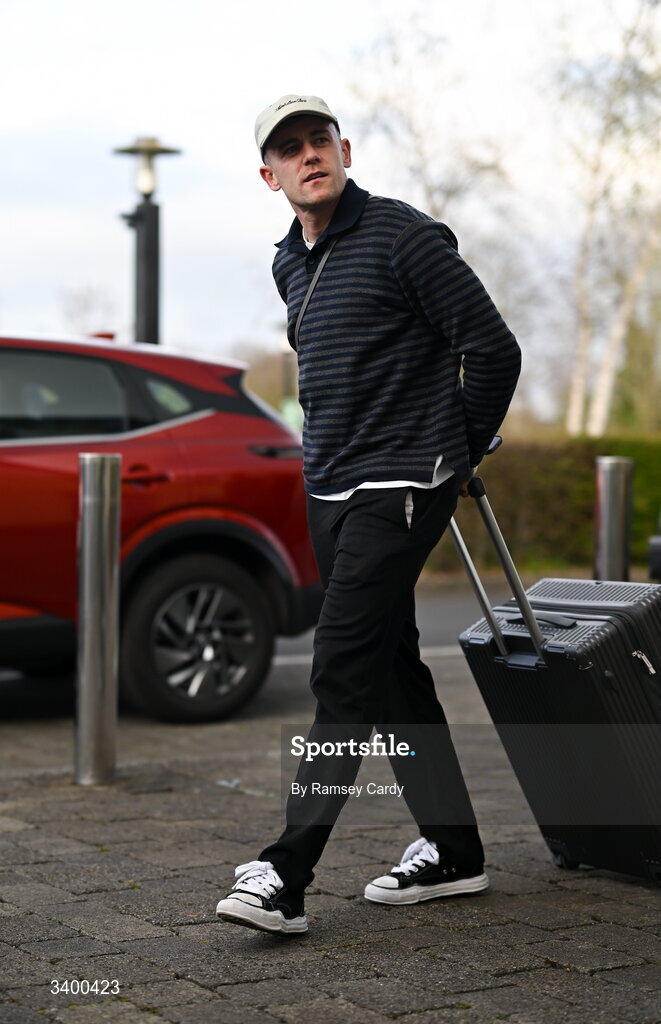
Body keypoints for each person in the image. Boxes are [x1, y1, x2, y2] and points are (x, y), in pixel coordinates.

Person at [216, 94, 521, 935]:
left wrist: (454, 450)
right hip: (332, 488)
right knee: (389, 672)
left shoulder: (402, 237)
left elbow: (492, 349)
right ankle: (453, 851)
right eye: (290, 147)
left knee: (339, 669)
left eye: (319, 139)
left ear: (343, 149)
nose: (308, 154)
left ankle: (285, 871)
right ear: (268, 175)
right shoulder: (291, 263)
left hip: (402, 484)